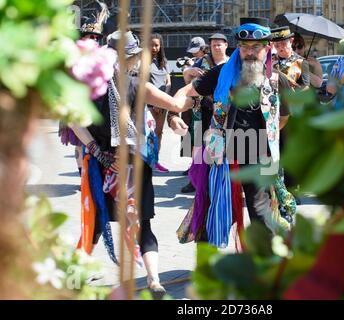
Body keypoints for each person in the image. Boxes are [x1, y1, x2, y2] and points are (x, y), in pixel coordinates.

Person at [71, 30, 193, 299]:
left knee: (94, 225)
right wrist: (192, 86)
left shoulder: (89, 86)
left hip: (102, 165)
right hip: (135, 167)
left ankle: (72, 279)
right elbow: (176, 104)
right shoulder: (138, 85)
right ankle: (154, 281)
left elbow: (73, 121)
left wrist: (96, 150)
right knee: (144, 226)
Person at [173, 17, 296, 249]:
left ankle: (263, 268)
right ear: (237, 47)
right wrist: (174, 114)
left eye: (256, 47)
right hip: (222, 156)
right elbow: (185, 92)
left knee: (261, 213)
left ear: (267, 47)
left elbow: (283, 118)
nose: (249, 52)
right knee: (214, 210)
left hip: (260, 156)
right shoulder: (221, 73)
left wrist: (267, 138)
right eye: (244, 47)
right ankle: (207, 267)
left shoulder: (277, 80)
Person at [168, 33, 230, 193]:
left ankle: (216, 179)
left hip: (223, 110)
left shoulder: (231, 63)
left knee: (218, 145)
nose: (216, 47)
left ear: (226, 45)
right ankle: (195, 179)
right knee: (198, 144)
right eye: (213, 44)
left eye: (219, 44)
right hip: (200, 108)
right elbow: (188, 83)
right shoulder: (202, 61)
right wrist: (189, 72)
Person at [58, 7, 109, 177]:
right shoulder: (72, 57)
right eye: (91, 36)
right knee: (79, 144)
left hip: (97, 108)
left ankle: (91, 173)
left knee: (94, 143)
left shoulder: (101, 57)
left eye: (96, 37)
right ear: (83, 38)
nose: (94, 39)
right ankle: (83, 176)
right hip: (78, 106)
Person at [148, 33, 171, 173]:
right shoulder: (142, 61)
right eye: (151, 45)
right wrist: (155, 101)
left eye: (156, 45)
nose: (154, 48)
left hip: (162, 102)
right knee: (149, 133)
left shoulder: (164, 61)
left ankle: (156, 160)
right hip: (149, 103)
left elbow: (168, 82)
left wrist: (163, 100)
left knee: (159, 132)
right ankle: (147, 161)